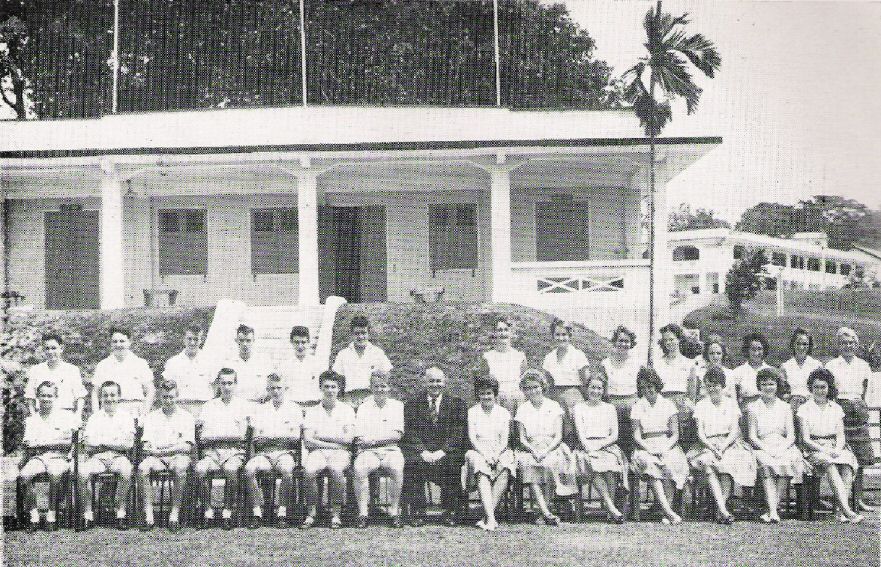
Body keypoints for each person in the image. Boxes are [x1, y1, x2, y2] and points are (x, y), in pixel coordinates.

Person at [686, 367, 757, 524]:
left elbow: (734, 431)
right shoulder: (701, 405)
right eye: (709, 385)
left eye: (716, 385)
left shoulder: (731, 404)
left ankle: (720, 509)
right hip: (707, 445)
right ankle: (723, 510)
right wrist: (712, 447)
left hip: (729, 443)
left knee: (726, 465)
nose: (713, 388)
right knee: (708, 464)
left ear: (723, 385)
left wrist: (723, 447)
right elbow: (700, 434)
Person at [402, 366, 467, 526]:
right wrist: (422, 451)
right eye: (431, 381)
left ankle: (450, 510)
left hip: (446, 452)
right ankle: (418, 510)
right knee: (412, 462)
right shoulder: (413, 403)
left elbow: (458, 433)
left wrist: (442, 451)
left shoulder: (456, 404)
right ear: (425, 382)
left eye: (438, 381)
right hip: (422, 451)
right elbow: (410, 431)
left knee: (453, 463)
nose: (435, 385)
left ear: (444, 383)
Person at [797, 368, 863, 523]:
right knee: (830, 464)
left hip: (835, 446)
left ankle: (840, 511)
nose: (819, 391)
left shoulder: (836, 408)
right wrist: (825, 450)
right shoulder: (804, 409)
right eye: (816, 387)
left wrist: (837, 449)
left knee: (847, 464)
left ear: (829, 388)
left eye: (823, 387)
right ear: (811, 388)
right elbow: (805, 439)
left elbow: (841, 435)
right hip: (813, 449)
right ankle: (848, 512)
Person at [824, 326, 877, 512]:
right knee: (842, 456)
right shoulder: (831, 366)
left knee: (860, 458)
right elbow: (828, 392)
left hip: (858, 409)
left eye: (851, 343)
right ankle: (841, 498)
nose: (848, 346)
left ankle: (859, 499)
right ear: (838, 346)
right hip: (840, 410)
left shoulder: (863, 365)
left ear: (857, 345)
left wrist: (863, 407)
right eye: (844, 343)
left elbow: (867, 390)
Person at [514, 369, 577, 526]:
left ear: (542, 386)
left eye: (536, 386)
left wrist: (546, 450)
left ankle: (542, 510)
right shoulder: (522, 409)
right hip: (529, 447)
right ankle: (546, 512)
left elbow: (558, 436)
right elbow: (522, 438)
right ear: (524, 390)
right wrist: (533, 450)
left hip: (552, 446)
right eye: (528, 388)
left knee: (549, 463)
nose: (533, 391)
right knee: (529, 464)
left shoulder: (554, 406)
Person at [18, 381, 80, 532]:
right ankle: (34, 515)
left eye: (49, 395)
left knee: (55, 473)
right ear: (38, 397)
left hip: (59, 457)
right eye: (43, 395)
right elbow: (28, 444)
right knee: (24, 476)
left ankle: (52, 514)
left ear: (56, 397)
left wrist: (43, 443)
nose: (46, 398)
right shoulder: (32, 420)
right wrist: (45, 444)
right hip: (38, 458)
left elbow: (67, 443)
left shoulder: (65, 416)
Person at [746, 368, 806, 524]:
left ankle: (772, 511)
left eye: (771, 384)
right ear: (759, 386)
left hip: (783, 445)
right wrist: (768, 449)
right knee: (766, 465)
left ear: (777, 386)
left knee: (787, 463)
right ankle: (773, 511)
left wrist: (780, 449)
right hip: (761, 445)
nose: (768, 387)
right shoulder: (753, 407)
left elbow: (791, 435)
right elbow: (752, 436)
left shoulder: (785, 407)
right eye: (764, 384)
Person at [194, 368, 252, 530]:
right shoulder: (209, 406)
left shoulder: (243, 406)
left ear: (235, 384)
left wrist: (217, 435)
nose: (226, 387)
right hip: (212, 453)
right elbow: (203, 437)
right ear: (218, 384)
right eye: (223, 383)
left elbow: (241, 436)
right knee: (200, 469)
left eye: (230, 383)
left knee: (231, 469)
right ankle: (208, 512)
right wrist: (226, 435)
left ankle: (227, 512)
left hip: (234, 452)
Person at [244, 373, 303, 529]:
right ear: (267, 390)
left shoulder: (294, 408)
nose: (276, 391)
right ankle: (258, 512)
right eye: (272, 388)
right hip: (264, 453)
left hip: (286, 452)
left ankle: (282, 512)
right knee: (249, 469)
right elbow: (257, 439)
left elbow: (295, 438)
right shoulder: (260, 409)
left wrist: (271, 438)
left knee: (287, 470)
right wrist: (277, 437)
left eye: (279, 388)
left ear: (285, 388)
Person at [630, 367, 688, 525]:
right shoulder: (637, 406)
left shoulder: (668, 404)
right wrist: (649, 449)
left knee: (670, 464)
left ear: (656, 385)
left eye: (650, 386)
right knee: (650, 465)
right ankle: (669, 512)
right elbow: (636, 435)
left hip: (666, 444)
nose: (647, 390)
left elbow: (675, 434)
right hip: (645, 446)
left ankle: (666, 510)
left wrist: (664, 448)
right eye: (643, 387)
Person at [137, 380, 195, 532]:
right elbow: (146, 444)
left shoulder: (187, 417)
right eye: (165, 397)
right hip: (157, 458)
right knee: (143, 468)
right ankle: (149, 516)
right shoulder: (151, 417)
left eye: (171, 397)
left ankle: (174, 515)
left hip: (178, 456)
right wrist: (152, 449)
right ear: (160, 398)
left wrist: (162, 451)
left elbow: (187, 446)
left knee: (181, 467)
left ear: (177, 396)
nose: (168, 401)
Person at [301, 370, 355, 530]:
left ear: (338, 389)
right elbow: (309, 441)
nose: (330, 390)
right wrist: (335, 442)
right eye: (326, 386)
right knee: (309, 471)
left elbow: (349, 439)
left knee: (336, 469)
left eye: (333, 387)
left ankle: (336, 514)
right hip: (318, 452)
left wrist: (322, 437)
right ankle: (311, 513)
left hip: (340, 453)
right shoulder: (312, 411)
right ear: (320, 388)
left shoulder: (347, 410)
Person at [78, 380, 136, 530]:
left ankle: (120, 513)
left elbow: (128, 444)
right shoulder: (94, 418)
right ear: (101, 398)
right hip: (98, 457)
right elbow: (88, 444)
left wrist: (103, 442)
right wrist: (114, 441)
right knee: (83, 472)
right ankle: (88, 515)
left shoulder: (126, 417)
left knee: (127, 470)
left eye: (112, 395)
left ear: (119, 397)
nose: (109, 399)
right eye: (105, 395)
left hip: (118, 457)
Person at [353, 370, 406, 528]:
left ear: (389, 388)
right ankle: (363, 513)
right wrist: (374, 441)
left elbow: (396, 435)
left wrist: (374, 439)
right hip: (369, 451)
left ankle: (394, 511)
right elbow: (360, 437)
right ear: (371, 388)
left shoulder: (397, 406)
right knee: (359, 468)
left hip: (391, 449)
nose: (380, 389)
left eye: (383, 386)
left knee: (396, 468)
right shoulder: (363, 408)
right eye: (376, 386)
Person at [572, 374, 628, 523]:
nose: (595, 391)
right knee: (593, 464)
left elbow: (614, 435)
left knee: (610, 468)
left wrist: (600, 446)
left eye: (599, 388)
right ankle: (611, 507)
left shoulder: (610, 408)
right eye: (592, 387)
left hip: (607, 446)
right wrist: (590, 449)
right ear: (586, 388)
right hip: (586, 447)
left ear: (603, 390)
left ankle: (611, 512)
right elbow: (580, 434)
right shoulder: (579, 408)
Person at [464, 375, 515, 532]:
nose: (486, 396)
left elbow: (504, 440)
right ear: (478, 395)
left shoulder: (504, 413)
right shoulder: (472, 412)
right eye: (482, 393)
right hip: (478, 450)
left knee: (506, 463)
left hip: (499, 450)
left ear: (495, 394)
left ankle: (486, 517)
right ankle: (491, 518)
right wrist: (485, 454)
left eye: (489, 393)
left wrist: (497, 454)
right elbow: (472, 438)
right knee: (480, 465)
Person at [92, 326, 154, 417]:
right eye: (115, 341)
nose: (118, 345)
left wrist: (145, 413)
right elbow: (95, 393)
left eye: (122, 341)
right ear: (111, 344)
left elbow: (150, 390)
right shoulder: (103, 365)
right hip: (111, 412)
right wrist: (96, 416)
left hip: (135, 412)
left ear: (129, 342)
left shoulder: (140, 363)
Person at [332, 315, 393, 408]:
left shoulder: (377, 353)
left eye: (363, 333)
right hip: (349, 399)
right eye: (357, 333)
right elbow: (337, 378)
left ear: (368, 333)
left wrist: (378, 392)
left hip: (370, 397)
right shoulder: (343, 354)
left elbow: (387, 374)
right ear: (351, 334)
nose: (360, 336)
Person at [599, 325, 642, 455]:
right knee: (613, 440)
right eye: (620, 341)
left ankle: (631, 472)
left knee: (632, 440)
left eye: (626, 341)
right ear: (615, 342)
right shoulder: (605, 363)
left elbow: (641, 387)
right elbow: (603, 389)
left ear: (631, 343)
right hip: (612, 405)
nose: (623, 344)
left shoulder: (638, 363)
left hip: (632, 405)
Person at [24, 333, 86, 418]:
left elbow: (80, 396)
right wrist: (34, 417)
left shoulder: (72, 370)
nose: (50, 352)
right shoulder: (36, 370)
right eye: (47, 348)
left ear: (61, 348)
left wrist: (77, 416)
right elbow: (30, 397)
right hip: (42, 416)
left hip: (65, 415)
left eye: (53, 348)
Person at [655, 324, 698, 447]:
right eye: (666, 340)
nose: (669, 343)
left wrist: (686, 407)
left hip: (682, 406)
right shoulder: (658, 363)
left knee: (683, 441)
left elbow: (692, 394)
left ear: (679, 339)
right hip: (663, 405)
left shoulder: (689, 364)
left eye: (672, 339)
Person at [162, 324, 214, 417]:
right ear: (184, 340)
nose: (192, 343)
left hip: (204, 409)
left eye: (196, 339)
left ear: (201, 340)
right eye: (189, 339)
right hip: (180, 408)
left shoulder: (209, 362)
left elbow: (215, 387)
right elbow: (167, 390)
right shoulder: (173, 362)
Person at [481, 316, 527, 413]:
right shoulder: (487, 357)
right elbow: (484, 384)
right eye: (499, 330)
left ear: (511, 333)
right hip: (496, 400)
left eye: (506, 330)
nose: (503, 333)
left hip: (517, 400)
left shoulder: (519, 356)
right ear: (495, 333)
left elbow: (524, 382)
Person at [221, 324, 275, 405]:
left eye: (248, 340)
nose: (245, 344)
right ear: (236, 340)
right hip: (236, 406)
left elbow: (274, 384)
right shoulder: (228, 363)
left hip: (259, 405)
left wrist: (267, 397)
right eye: (241, 340)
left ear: (253, 340)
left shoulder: (264, 361)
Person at [542, 319, 589, 411]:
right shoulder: (549, 357)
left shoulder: (578, 355)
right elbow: (548, 383)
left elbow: (586, 382)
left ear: (569, 335)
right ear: (553, 336)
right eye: (557, 335)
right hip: (555, 399)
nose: (561, 338)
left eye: (564, 334)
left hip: (575, 399)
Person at [780, 328, 823, 414]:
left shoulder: (817, 365)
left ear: (809, 345)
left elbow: (821, 390)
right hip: (791, 408)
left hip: (812, 408)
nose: (801, 347)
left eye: (805, 344)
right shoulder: (785, 366)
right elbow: (782, 392)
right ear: (793, 344)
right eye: (798, 343)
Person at [276, 325, 321, 406]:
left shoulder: (317, 364)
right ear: (291, 342)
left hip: (312, 406)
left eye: (303, 342)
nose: (300, 346)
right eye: (297, 342)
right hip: (292, 407)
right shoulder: (284, 366)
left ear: (308, 342)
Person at [731, 332, 774, 407]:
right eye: (753, 349)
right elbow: (734, 399)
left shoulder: (771, 371)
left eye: (759, 349)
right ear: (747, 350)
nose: (756, 353)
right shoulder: (738, 372)